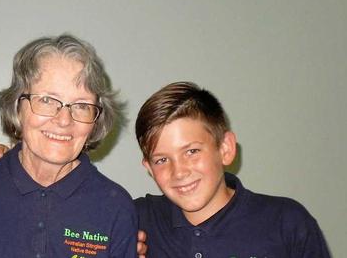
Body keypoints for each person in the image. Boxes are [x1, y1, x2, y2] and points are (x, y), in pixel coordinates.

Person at [0, 34, 138, 258]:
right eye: (47, 100)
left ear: (96, 119)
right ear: (17, 105)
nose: (64, 120)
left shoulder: (115, 207)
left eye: (81, 105)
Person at [134, 81, 331, 257]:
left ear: (225, 148)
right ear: (149, 168)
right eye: (161, 160)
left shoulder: (286, 223)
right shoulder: (133, 217)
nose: (179, 172)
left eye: (192, 151)